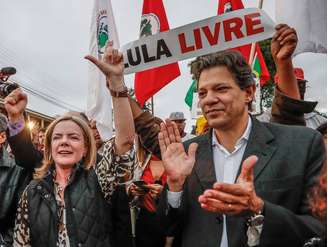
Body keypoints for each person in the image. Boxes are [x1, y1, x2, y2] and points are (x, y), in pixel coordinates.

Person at [157, 24, 325, 247]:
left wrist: (259, 209)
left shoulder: (301, 144)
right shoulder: (188, 154)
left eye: (221, 89)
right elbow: (168, 230)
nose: (208, 99)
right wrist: (175, 188)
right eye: (203, 93)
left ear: (249, 92)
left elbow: (319, 230)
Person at [12, 41, 137, 247]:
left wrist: (116, 83)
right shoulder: (32, 191)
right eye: (57, 137)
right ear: (49, 147)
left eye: (73, 137)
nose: (64, 142)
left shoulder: (99, 180)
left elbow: (125, 141)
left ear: (86, 147)